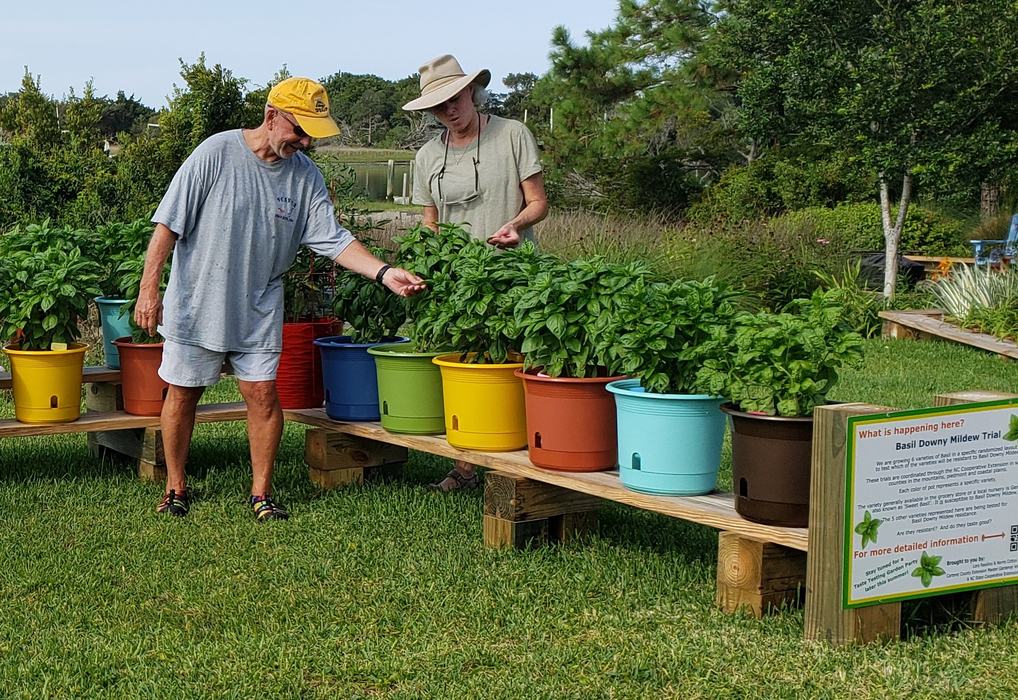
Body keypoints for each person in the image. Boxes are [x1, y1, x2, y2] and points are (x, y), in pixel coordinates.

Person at [136, 77, 426, 521]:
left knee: (263, 394)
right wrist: (149, 290)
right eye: (300, 130)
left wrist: (384, 273)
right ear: (272, 117)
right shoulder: (215, 153)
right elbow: (167, 227)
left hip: (258, 306)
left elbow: (333, 239)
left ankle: (261, 494)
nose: (306, 142)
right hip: (198, 301)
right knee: (183, 392)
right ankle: (175, 486)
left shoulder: (305, 176)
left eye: (313, 134)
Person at [403, 55, 548, 492]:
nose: (449, 109)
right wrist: (426, 263)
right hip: (462, 282)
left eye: (455, 97)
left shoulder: (512, 135)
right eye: (438, 105)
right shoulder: (427, 156)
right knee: (470, 364)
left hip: (515, 270)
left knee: (522, 360)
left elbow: (538, 201)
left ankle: (526, 460)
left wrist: (516, 225)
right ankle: (466, 466)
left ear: (472, 92)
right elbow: (429, 224)